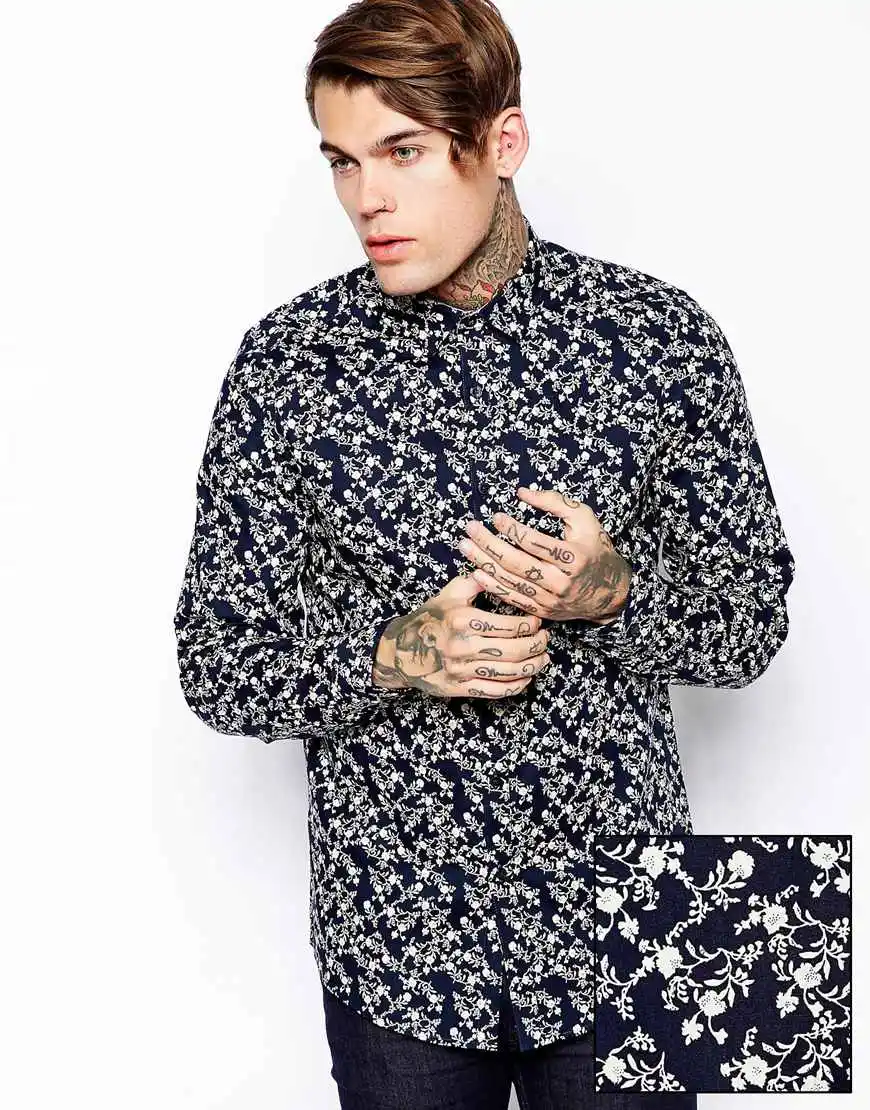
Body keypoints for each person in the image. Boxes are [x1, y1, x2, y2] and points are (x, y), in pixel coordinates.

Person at [173, 0, 795, 1105]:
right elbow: (215, 667)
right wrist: (395, 655)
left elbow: (756, 630)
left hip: (645, 915)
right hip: (396, 935)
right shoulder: (286, 365)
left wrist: (613, 596)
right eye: (342, 161)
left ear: (503, 142)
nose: (366, 198)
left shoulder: (663, 336)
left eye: (403, 151)